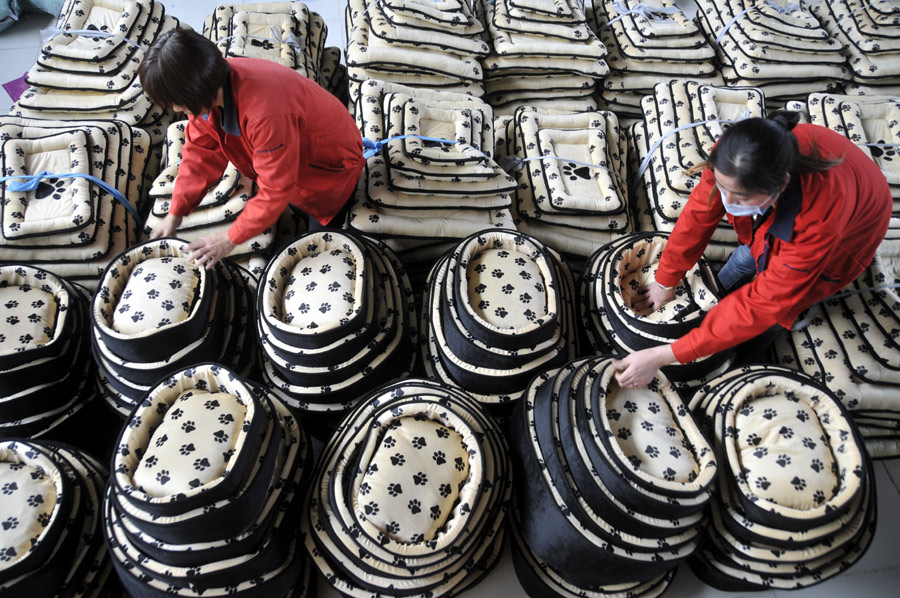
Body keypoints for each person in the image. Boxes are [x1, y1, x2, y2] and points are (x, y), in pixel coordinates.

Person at [613, 111, 892, 388]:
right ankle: (714, 305)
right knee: (750, 253)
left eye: (742, 197)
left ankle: (736, 360)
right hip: (814, 179)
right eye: (724, 188)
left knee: (783, 302)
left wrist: (662, 356)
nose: (728, 200)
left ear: (779, 186)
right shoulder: (734, 154)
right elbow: (699, 214)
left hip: (857, 220)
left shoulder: (818, 224)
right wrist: (665, 279)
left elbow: (763, 305)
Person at [138, 29, 365, 268]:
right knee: (293, 206)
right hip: (296, 157)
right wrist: (176, 212)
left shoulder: (266, 114)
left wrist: (228, 239)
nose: (175, 109)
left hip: (329, 169)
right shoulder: (212, 87)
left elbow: (276, 189)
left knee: (318, 247)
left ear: (195, 88)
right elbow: (199, 154)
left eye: (176, 100)